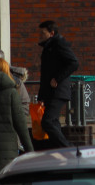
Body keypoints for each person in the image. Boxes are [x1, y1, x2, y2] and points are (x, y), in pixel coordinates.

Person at [38, 20, 79, 148]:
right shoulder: (49, 46)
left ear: (52, 33)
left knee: (48, 121)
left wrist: (57, 78)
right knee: (53, 121)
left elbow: (74, 62)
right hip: (51, 91)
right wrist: (41, 96)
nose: (40, 35)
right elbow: (45, 74)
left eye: (43, 33)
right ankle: (61, 148)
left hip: (57, 90)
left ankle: (67, 147)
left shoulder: (58, 44)